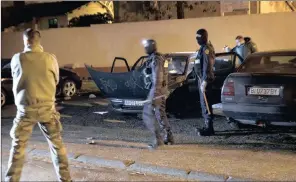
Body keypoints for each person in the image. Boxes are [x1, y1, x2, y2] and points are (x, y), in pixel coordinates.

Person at [5, 28, 72, 182]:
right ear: (39, 41)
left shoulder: (17, 59)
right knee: (57, 146)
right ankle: (66, 179)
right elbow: (55, 81)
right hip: (47, 110)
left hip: (25, 111)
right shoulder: (50, 58)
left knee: (17, 148)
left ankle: (11, 180)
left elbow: (16, 77)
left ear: (25, 41)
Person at [142, 39, 174, 149]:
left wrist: (154, 94)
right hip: (161, 90)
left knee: (148, 114)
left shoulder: (156, 59)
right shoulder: (159, 58)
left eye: (146, 46)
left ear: (151, 47)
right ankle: (168, 137)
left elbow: (157, 78)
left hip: (157, 91)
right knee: (160, 114)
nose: (145, 48)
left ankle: (158, 140)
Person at [194, 29, 215, 136]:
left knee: (206, 103)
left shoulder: (207, 49)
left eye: (198, 37)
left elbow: (207, 66)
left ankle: (209, 128)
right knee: (203, 103)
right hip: (201, 79)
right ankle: (207, 125)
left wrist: (205, 81)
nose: (197, 39)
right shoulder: (202, 49)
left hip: (205, 80)